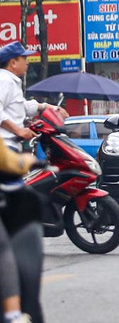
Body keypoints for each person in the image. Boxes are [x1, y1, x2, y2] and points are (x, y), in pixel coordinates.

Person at [0, 43, 50, 323]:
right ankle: (13, 313)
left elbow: (19, 108)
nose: (27, 63)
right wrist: (19, 130)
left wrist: (44, 106)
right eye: (23, 59)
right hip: (7, 152)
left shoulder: (12, 81)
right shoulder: (4, 80)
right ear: (12, 62)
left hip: (11, 154)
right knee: (4, 247)